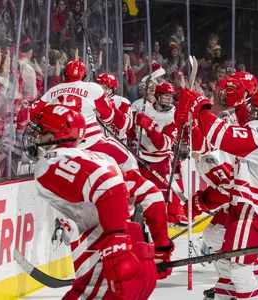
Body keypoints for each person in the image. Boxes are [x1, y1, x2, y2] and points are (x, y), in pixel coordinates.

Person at [30, 61, 173, 279]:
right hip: (96, 146)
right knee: (147, 193)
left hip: (60, 152)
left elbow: (33, 116)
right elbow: (117, 121)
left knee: (80, 200)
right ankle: (160, 250)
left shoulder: (51, 92)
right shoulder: (93, 89)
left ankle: (74, 226)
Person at [23, 104, 158, 299]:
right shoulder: (101, 157)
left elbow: (109, 186)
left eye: (41, 132)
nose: (36, 139)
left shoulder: (51, 161)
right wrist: (161, 246)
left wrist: (117, 244)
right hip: (137, 259)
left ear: (55, 136)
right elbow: (150, 194)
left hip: (109, 267)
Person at [176, 86, 258, 300]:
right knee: (217, 236)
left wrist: (200, 107)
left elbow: (224, 137)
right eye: (252, 109)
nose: (252, 114)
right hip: (255, 204)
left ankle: (252, 293)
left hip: (253, 207)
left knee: (239, 265)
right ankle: (226, 291)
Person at [133, 82, 188, 225]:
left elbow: (164, 145)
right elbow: (132, 132)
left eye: (171, 97)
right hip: (142, 158)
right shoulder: (144, 108)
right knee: (138, 195)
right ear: (157, 96)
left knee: (161, 196)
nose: (169, 100)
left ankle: (164, 222)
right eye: (165, 96)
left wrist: (151, 129)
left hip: (162, 161)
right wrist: (134, 124)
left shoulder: (173, 115)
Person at [96, 73, 133, 143]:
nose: (99, 89)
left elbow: (127, 124)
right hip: (97, 142)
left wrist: (111, 108)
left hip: (117, 143)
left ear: (110, 90)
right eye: (98, 85)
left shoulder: (121, 102)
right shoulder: (93, 100)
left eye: (103, 87)